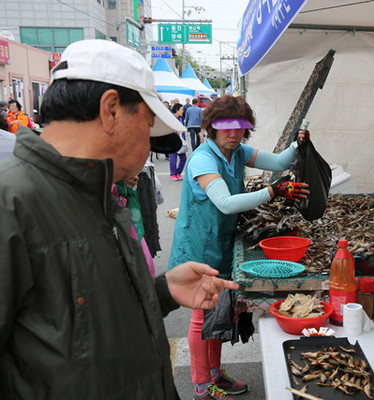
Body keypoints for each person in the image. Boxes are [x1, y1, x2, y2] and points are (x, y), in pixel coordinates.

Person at [0, 39, 239, 399]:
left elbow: (81, 322)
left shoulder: (98, 193)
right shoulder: (11, 203)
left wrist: (161, 291)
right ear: (111, 110)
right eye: (146, 126)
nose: (148, 147)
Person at [168, 95, 309, 400]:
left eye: (240, 127)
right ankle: (202, 386)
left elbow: (281, 161)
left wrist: (298, 144)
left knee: (217, 311)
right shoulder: (204, 159)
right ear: (211, 127)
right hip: (198, 246)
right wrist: (273, 190)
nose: (233, 133)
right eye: (226, 127)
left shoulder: (238, 152)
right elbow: (226, 203)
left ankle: (215, 374)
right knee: (201, 315)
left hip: (221, 241)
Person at [169, 102, 187, 181]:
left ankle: (178, 173)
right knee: (173, 159)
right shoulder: (171, 118)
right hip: (172, 141)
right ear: (176, 110)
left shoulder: (180, 119)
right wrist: (177, 132)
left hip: (180, 141)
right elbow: (168, 128)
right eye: (181, 110)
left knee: (183, 158)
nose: (182, 111)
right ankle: (173, 174)